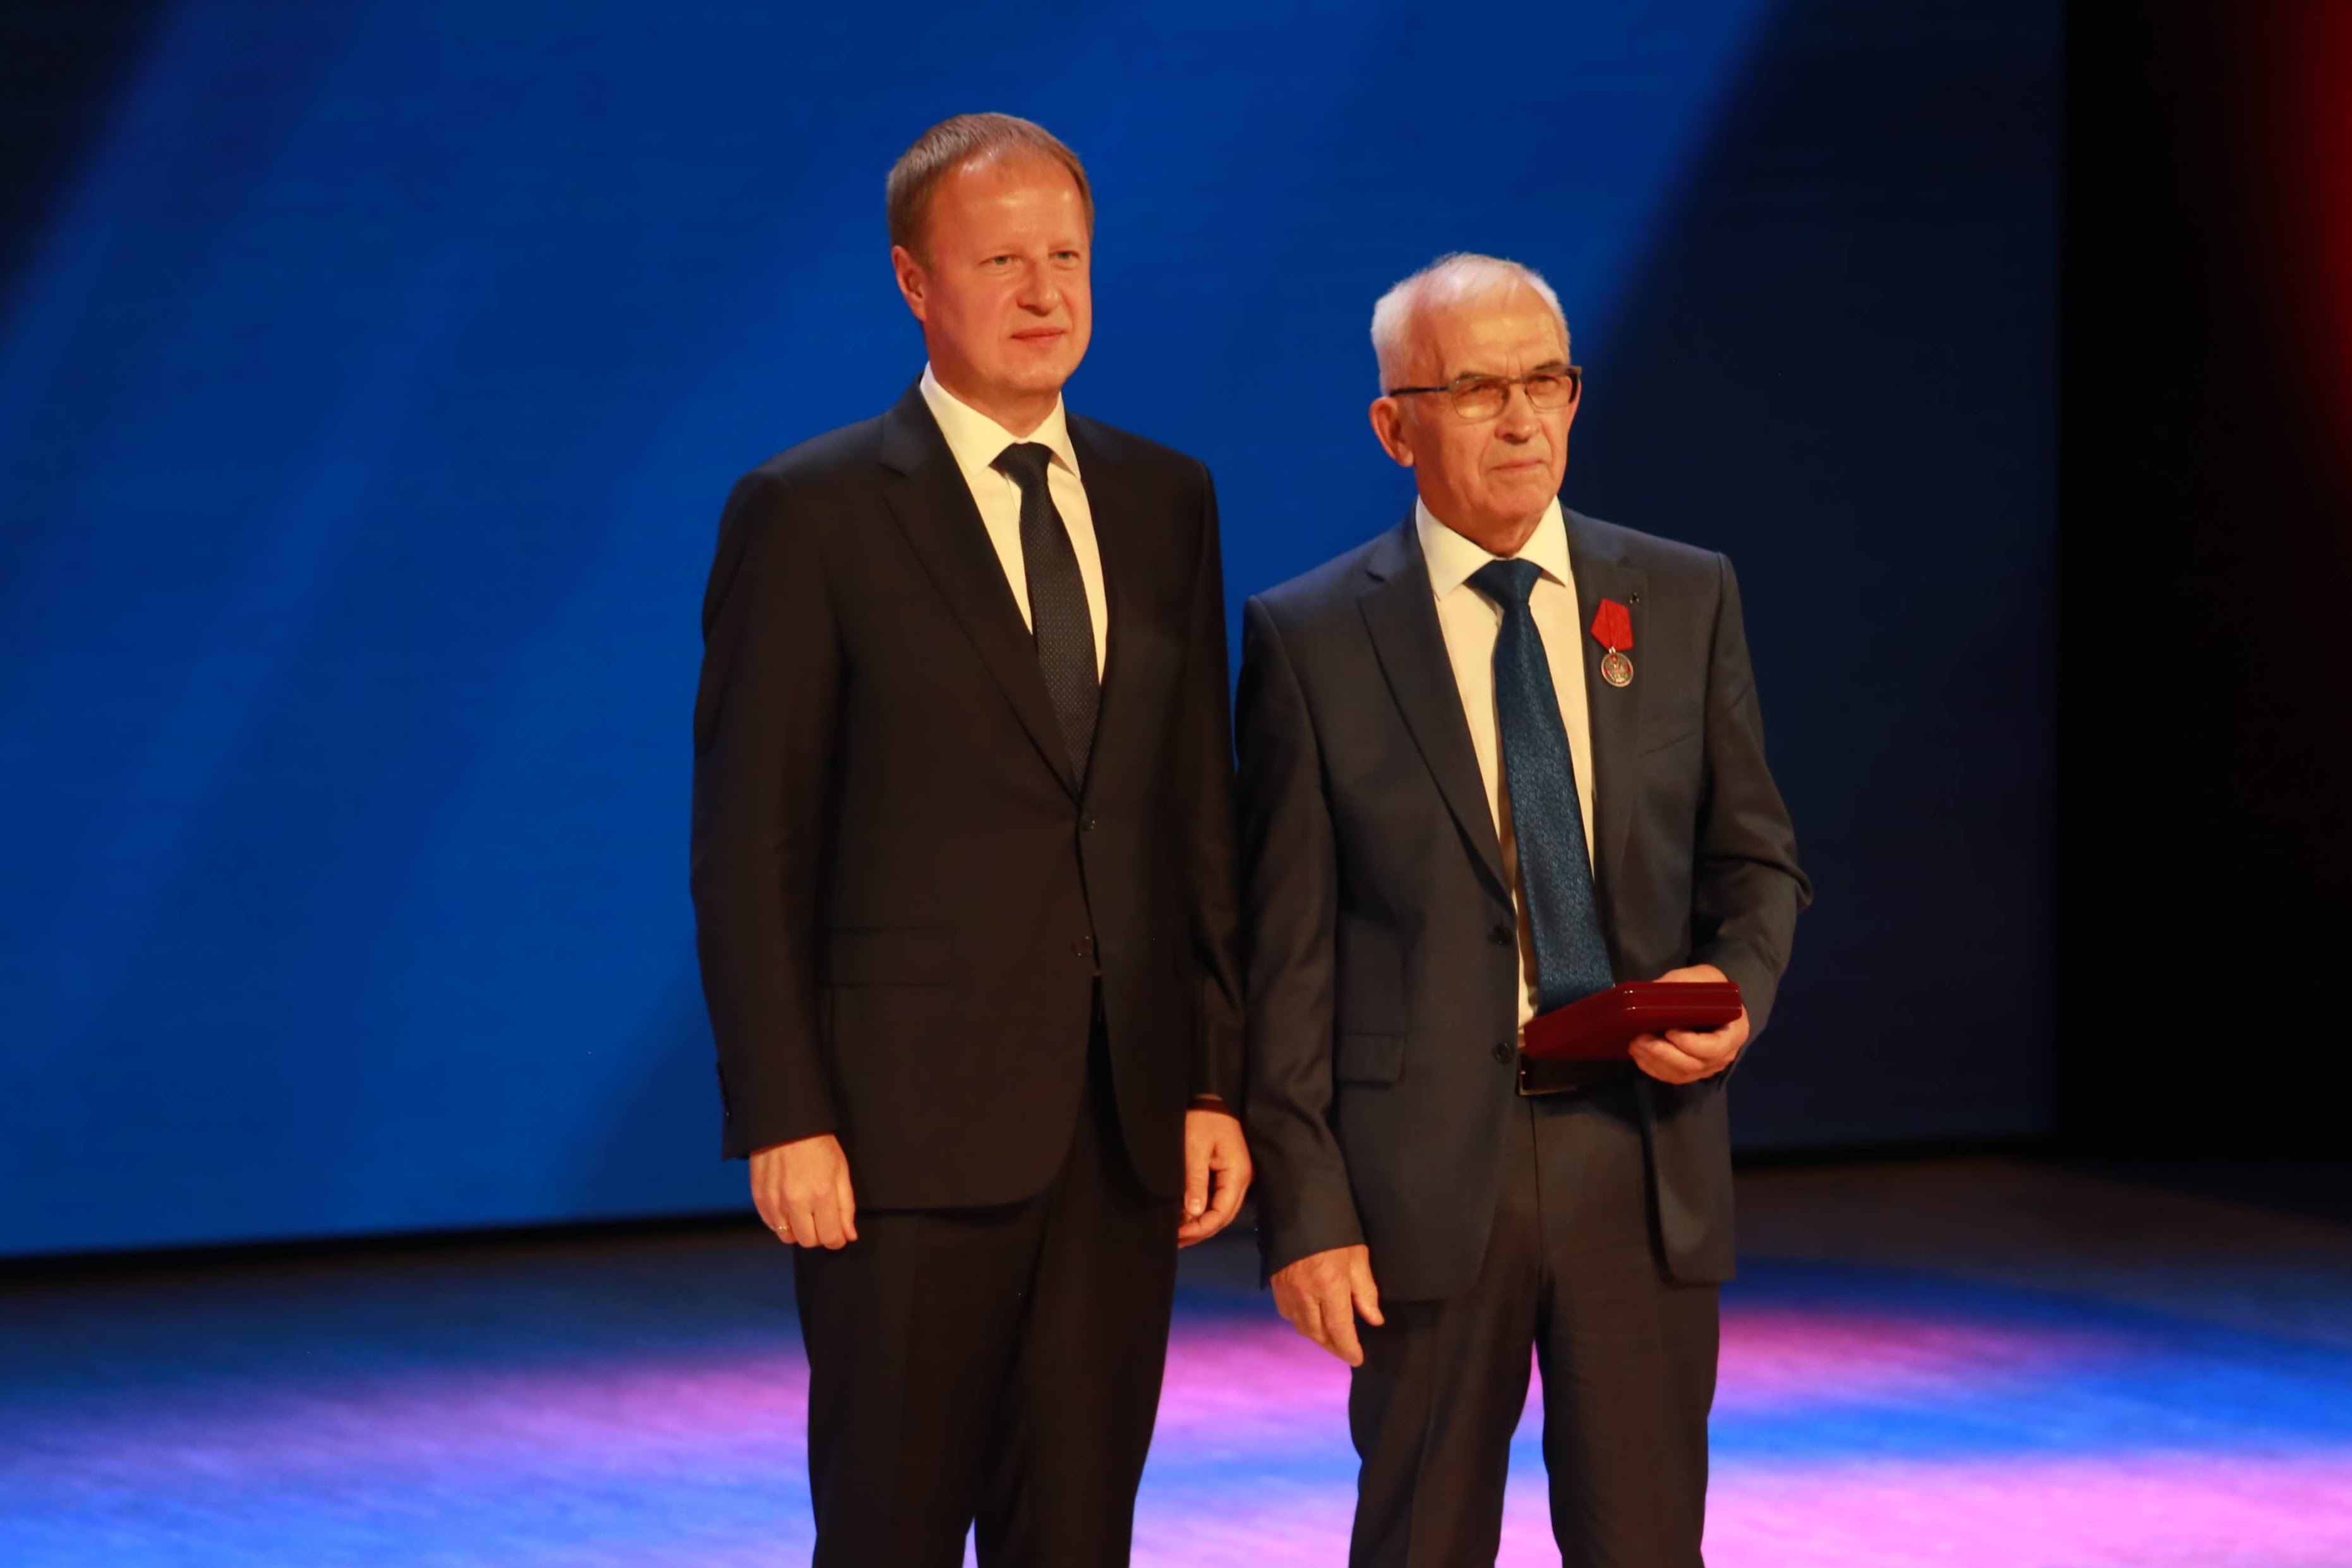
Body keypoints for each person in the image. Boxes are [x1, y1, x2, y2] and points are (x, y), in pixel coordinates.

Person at [689, 112, 1251, 1567]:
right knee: (890, 1523)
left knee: (1076, 1528)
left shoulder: (1165, 498)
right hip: (899, 1132)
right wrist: (783, 1110)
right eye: (1001, 261)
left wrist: (1209, 1076)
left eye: (1066, 256)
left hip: (1119, 1123)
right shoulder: (808, 513)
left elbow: (1194, 812)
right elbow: (750, 842)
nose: (1043, 292)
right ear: (911, 282)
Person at [1237, 253, 1810, 1566]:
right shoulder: (1310, 638)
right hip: (1426, 1175)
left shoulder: (1680, 595)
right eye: (1477, 389)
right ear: (1395, 426)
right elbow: (1284, 955)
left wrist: (1735, 991)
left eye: (1545, 382)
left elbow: (1757, 862)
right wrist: (1307, 1210)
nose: (1521, 420)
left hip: (1641, 1156)